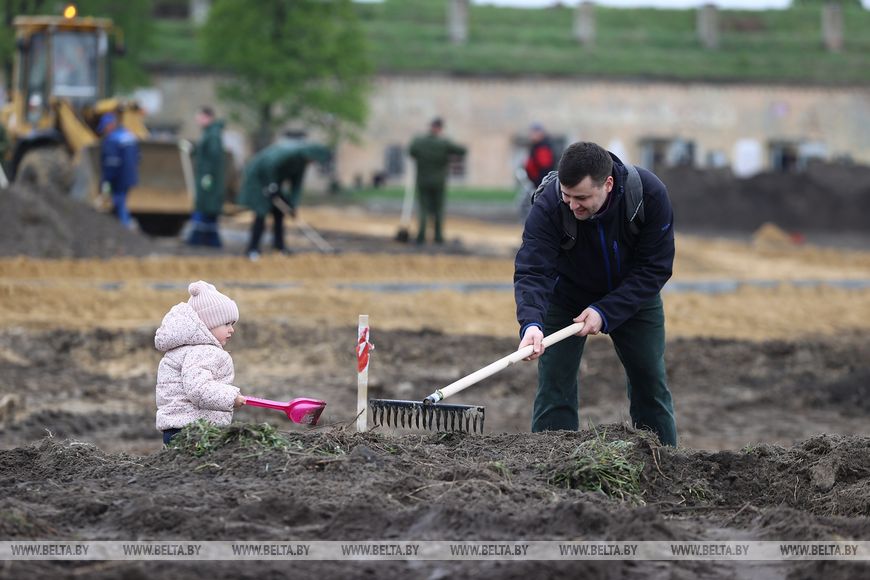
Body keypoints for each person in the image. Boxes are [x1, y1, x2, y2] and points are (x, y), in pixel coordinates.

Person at [514, 141, 677, 446]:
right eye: (567, 196)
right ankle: (549, 468)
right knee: (554, 386)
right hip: (565, 299)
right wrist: (531, 323)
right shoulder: (549, 204)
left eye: (582, 198)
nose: (573, 205)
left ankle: (664, 463)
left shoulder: (648, 195)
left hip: (632, 296)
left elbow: (655, 267)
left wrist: (607, 310)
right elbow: (533, 269)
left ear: (608, 184)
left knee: (650, 381)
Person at [155, 280, 246, 445]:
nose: (231, 329)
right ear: (206, 324)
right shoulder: (203, 351)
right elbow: (198, 389)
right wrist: (231, 398)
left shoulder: (184, 348)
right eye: (226, 324)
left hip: (178, 429)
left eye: (232, 324)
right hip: (194, 432)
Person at [237, 139, 331, 260]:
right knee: (261, 212)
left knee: (279, 212)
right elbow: (268, 165)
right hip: (259, 179)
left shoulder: (301, 164)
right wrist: (271, 185)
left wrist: (292, 205)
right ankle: (252, 249)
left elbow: (296, 185)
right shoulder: (289, 154)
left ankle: (279, 247)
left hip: (274, 183)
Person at [408, 118, 466, 245]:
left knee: (423, 208)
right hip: (439, 182)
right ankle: (438, 237)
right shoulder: (444, 143)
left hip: (423, 180)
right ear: (440, 128)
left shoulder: (420, 141)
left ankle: (421, 236)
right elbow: (462, 151)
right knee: (438, 209)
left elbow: (411, 151)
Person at [187, 106, 226, 248]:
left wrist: (208, 175)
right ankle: (206, 239)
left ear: (208, 117)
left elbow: (213, 157)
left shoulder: (213, 135)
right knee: (206, 208)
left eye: (200, 117)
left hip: (209, 179)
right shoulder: (208, 133)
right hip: (206, 177)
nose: (198, 120)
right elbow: (204, 153)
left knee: (207, 207)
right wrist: (192, 150)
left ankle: (201, 239)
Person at [98, 113, 140, 229]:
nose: (104, 131)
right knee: (121, 201)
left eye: (105, 128)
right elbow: (138, 157)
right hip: (130, 176)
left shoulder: (112, 140)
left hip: (118, 179)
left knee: (119, 202)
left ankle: (125, 227)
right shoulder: (130, 136)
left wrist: (105, 181)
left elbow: (111, 163)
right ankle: (125, 225)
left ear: (109, 125)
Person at [524, 122, 556, 188]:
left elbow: (545, 168)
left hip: (540, 184)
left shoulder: (543, 147)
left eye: (535, 131)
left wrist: (540, 184)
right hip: (535, 182)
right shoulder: (536, 145)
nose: (531, 134)